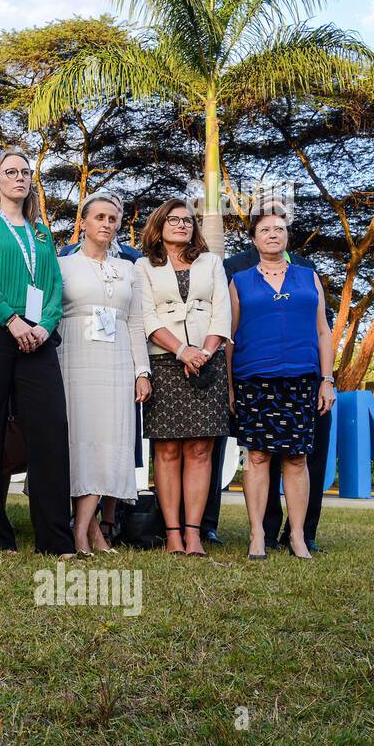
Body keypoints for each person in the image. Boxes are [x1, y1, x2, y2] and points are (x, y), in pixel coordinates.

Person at [0, 148, 73, 555]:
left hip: (38, 339)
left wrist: (43, 326)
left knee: (49, 432)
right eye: (11, 172)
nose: (20, 178)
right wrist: (10, 319)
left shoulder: (41, 233)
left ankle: (55, 538)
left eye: (26, 172)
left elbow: (55, 287)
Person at [205, 202, 334, 552]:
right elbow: (228, 339)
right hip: (254, 380)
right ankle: (258, 534)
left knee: (297, 458)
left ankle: (296, 536)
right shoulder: (240, 280)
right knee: (259, 456)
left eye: (279, 229)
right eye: (265, 230)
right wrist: (230, 385)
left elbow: (324, 332)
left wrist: (327, 379)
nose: (273, 235)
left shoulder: (309, 278)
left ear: (287, 235)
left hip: (302, 379)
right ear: (254, 240)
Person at [134, 199, 232, 556]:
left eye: (187, 220)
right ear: (158, 228)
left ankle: (194, 534)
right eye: (173, 220)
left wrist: (203, 352)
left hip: (208, 362)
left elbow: (223, 312)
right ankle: (172, 534)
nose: (182, 225)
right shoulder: (143, 267)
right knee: (168, 449)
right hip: (165, 363)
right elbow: (146, 317)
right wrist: (182, 351)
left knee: (200, 450)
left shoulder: (212, 263)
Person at [57, 191, 151, 556]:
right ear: (84, 222)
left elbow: (136, 322)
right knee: (79, 444)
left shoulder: (130, 269)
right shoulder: (63, 264)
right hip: (74, 358)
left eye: (113, 219)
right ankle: (86, 532)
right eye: (99, 217)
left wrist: (141, 371)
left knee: (108, 445)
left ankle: (84, 529)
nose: (106, 224)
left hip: (116, 364)